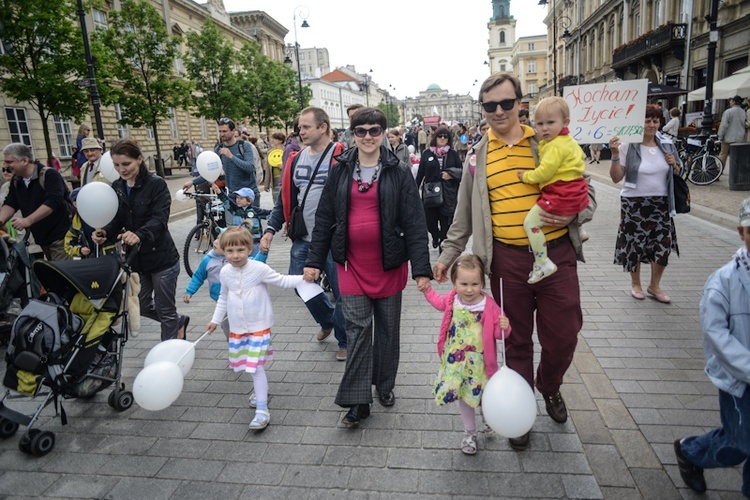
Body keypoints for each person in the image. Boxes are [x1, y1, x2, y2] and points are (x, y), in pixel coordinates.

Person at [434, 72, 595, 451]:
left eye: (507, 103)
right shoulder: (476, 156)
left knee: (564, 333)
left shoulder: (546, 141)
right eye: (490, 105)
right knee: (515, 340)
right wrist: (446, 257)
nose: (499, 111)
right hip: (506, 260)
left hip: (555, 255)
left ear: (521, 103)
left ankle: (550, 385)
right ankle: (520, 411)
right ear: (483, 109)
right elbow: (463, 216)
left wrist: (574, 215)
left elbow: (584, 191)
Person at [302, 107, 432, 427]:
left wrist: (422, 269)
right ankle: (359, 400)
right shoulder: (341, 170)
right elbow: (325, 219)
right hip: (351, 265)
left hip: (388, 265)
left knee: (387, 332)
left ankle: (384, 385)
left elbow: (415, 222)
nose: (368, 137)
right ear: (352, 134)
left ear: (384, 133)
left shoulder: (398, 171)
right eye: (361, 131)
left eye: (375, 130)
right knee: (359, 332)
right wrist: (314, 262)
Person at [673, 198, 750, 498]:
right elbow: (716, 335)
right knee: (739, 443)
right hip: (738, 381)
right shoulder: (723, 282)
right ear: (741, 232)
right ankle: (690, 451)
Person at [260, 107, 348, 361]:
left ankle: (344, 340)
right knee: (300, 286)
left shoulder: (342, 156)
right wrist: (269, 230)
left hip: (333, 240)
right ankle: (328, 320)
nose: (301, 132)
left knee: (342, 293)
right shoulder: (295, 160)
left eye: (306, 127)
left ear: (323, 127)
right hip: (303, 238)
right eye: (300, 127)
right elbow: (286, 201)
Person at [206, 227, 304, 430]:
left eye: (240, 250)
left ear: (250, 249)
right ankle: (261, 391)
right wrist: (215, 320)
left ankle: (262, 409)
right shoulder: (225, 272)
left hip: (259, 326)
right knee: (250, 365)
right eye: (230, 251)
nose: (235, 255)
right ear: (223, 251)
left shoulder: (258, 268)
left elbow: (283, 281)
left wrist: (305, 277)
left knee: (255, 366)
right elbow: (223, 298)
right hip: (238, 328)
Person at [91, 139, 188, 342]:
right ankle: (177, 322)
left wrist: (139, 234)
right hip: (137, 260)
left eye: (126, 164)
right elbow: (117, 219)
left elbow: (159, 219)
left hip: (162, 259)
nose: (121, 169)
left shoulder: (156, 184)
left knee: (165, 308)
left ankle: (168, 356)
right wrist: (104, 233)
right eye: (116, 165)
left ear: (139, 159)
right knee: (142, 306)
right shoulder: (117, 186)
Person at [422, 255, 510, 455]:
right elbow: (438, 303)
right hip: (457, 363)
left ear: (482, 283)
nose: (469, 289)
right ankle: (470, 433)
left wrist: (505, 326)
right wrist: (428, 290)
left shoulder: (489, 305)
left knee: (483, 394)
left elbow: (499, 334)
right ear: (455, 282)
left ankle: (488, 416)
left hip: (480, 363)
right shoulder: (453, 299)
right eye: (463, 284)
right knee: (465, 396)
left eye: (475, 284)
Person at [608, 104, 682, 304]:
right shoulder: (627, 146)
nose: (652, 125)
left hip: (662, 202)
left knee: (663, 244)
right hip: (634, 202)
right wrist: (614, 154)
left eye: (655, 121)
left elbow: (677, 174)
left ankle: (654, 285)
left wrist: (673, 164)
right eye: (647, 120)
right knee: (635, 244)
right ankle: (636, 284)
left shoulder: (666, 145)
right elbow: (616, 178)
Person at [517, 96, 589, 284]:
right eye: (539, 124)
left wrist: (526, 176)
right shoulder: (568, 140)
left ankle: (542, 261)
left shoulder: (554, 146)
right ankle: (580, 229)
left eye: (550, 122)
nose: (544, 128)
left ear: (565, 122)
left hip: (559, 192)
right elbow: (580, 159)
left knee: (530, 224)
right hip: (575, 189)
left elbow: (545, 172)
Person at [0, 143, 71, 261]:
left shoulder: (49, 175)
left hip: (61, 237)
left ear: (24, 160)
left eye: (9, 162)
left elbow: (53, 201)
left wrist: (28, 220)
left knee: (63, 275)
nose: (6, 166)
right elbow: (11, 203)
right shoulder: (17, 180)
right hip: (43, 239)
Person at [183, 117, 259, 208]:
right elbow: (210, 172)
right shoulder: (219, 149)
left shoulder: (244, 146)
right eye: (220, 131)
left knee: (250, 222)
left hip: (248, 195)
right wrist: (192, 182)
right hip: (232, 195)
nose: (222, 134)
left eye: (224, 131)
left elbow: (250, 168)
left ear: (233, 131)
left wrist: (231, 156)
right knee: (232, 222)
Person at [416, 126, 463, 251]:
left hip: (448, 193)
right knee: (429, 222)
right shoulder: (427, 153)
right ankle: (435, 236)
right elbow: (420, 173)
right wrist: (414, 190)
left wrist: (451, 175)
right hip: (430, 193)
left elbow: (462, 171)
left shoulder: (452, 154)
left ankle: (443, 244)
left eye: (445, 136)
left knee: (445, 223)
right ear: (435, 138)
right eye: (440, 136)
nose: (442, 139)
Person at [718, 96, 747, 168]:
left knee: (723, 154)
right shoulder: (743, 112)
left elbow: (723, 125)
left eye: (731, 101)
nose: (730, 102)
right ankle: (736, 170)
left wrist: (720, 136)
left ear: (734, 102)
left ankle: (719, 170)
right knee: (737, 156)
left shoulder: (728, 112)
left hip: (728, 137)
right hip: (740, 138)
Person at [266, 132, 285, 202]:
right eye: (272, 138)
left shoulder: (286, 151)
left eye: (275, 139)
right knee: (276, 200)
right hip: (274, 180)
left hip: (284, 179)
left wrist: (284, 167)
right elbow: (267, 169)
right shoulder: (270, 153)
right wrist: (266, 184)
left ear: (280, 141)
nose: (272, 140)